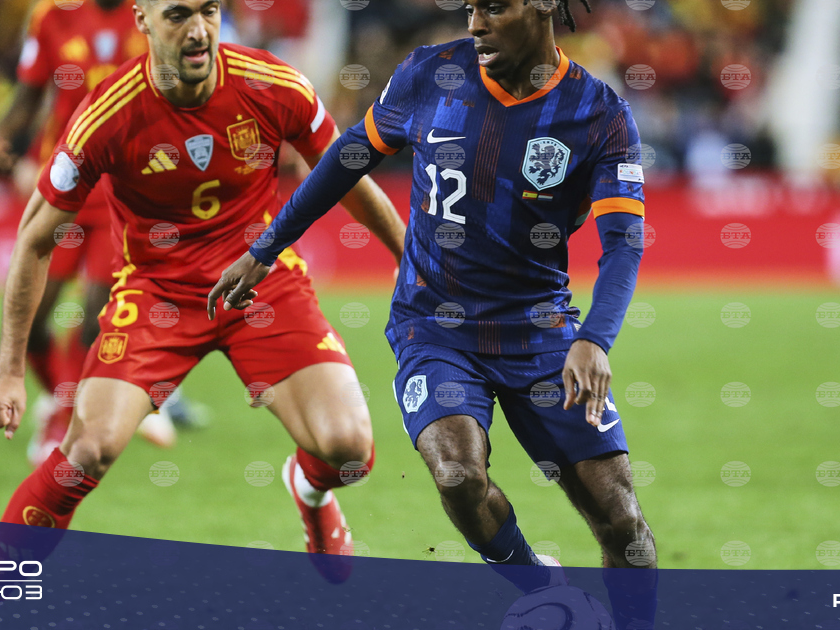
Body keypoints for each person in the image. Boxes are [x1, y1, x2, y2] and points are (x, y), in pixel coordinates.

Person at [210, 0, 656, 626]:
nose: (475, 23)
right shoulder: (430, 74)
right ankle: (541, 587)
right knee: (456, 472)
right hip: (434, 326)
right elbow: (348, 156)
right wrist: (266, 248)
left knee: (620, 517)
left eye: (493, 7)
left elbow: (623, 243)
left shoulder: (599, 113)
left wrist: (595, 340)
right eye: (470, 8)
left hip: (540, 331)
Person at [0, 0, 405, 584]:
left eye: (209, 10)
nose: (199, 29)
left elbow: (344, 172)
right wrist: (7, 370)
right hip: (157, 294)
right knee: (87, 451)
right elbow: (33, 240)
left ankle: (310, 490)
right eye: (178, 14)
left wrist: (410, 261)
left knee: (349, 450)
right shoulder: (105, 115)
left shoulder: (275, 85)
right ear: (143, 21)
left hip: (260, 280)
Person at [0, 0, 179, 465]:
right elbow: (31, 91)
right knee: (33, 318)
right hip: (66, 180)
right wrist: (4, 134)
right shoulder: (52, 15)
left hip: (126, 186)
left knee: (97, 317)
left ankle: (69, 417)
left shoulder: (153, 12)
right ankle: (69, 398)